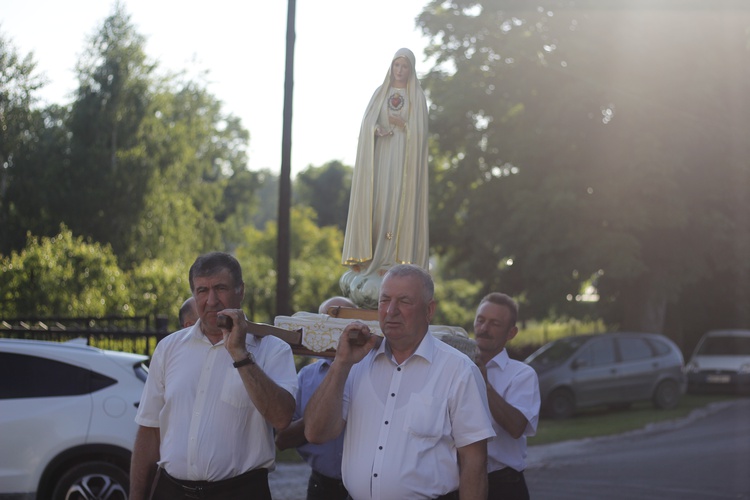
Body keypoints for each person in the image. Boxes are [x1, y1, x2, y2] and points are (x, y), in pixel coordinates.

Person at [305, 264, 495, 500]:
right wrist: (340, 364)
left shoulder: (458, 370)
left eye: (404, 301)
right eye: (384, 300)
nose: (391, 310)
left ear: (429, 310)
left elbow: (474, 464)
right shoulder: (356, 363)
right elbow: (316, 433)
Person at [129, 251, 297, 500]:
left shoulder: (272, 349)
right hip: (171, 491)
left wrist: (240, 354)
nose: (211, 300)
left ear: (240, 290)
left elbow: (282, 418)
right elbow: (149, 431)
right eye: (202, 290)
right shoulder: (169, 348)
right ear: (193, 294)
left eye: (220, 288)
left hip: (241, 493)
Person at [340, 48, 430, 309]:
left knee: (396, 208)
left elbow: (422, 134)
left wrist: (405, 127)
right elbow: (366, 124)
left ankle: (392, 262)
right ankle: (372, 261)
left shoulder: (417, 98)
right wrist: (374, 130)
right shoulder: (380, 95)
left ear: (411, 70)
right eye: (396, 65)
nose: (399, 71)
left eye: (404, 66)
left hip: (404, 164)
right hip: (381, 162)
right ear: (391, 67)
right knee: (379, 208)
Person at [275, 296, 357, 500]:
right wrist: (323, 413)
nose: (333, 328)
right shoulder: (306, 376)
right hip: (322, 485)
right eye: (325, 321)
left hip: (365, 487)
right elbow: (282, 439)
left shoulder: (372, 371)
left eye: (341, 321)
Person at [474, 293, 541, 500]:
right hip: (457, 483)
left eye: (494, 323)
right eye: (481, 320)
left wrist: (483, 382)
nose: (484, 329)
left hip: (502, 486)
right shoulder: (456, 365)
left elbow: (516, 427)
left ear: (511, 333)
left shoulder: (522, 374)